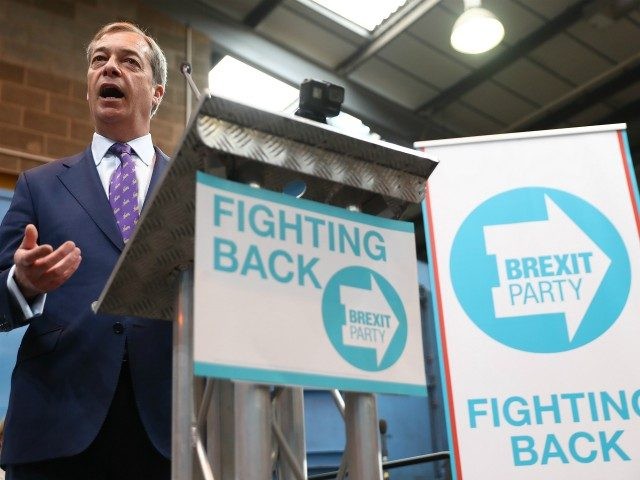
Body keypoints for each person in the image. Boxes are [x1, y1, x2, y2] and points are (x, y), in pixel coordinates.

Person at [0, 22, 172, 479]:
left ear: (156, 93)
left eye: (128, 61)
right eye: (99, 60)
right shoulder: (38, 185)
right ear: (88, 87)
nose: (109, 67)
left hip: (168, 426)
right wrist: (23, 285)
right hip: (56, 422)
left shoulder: (191, 187)